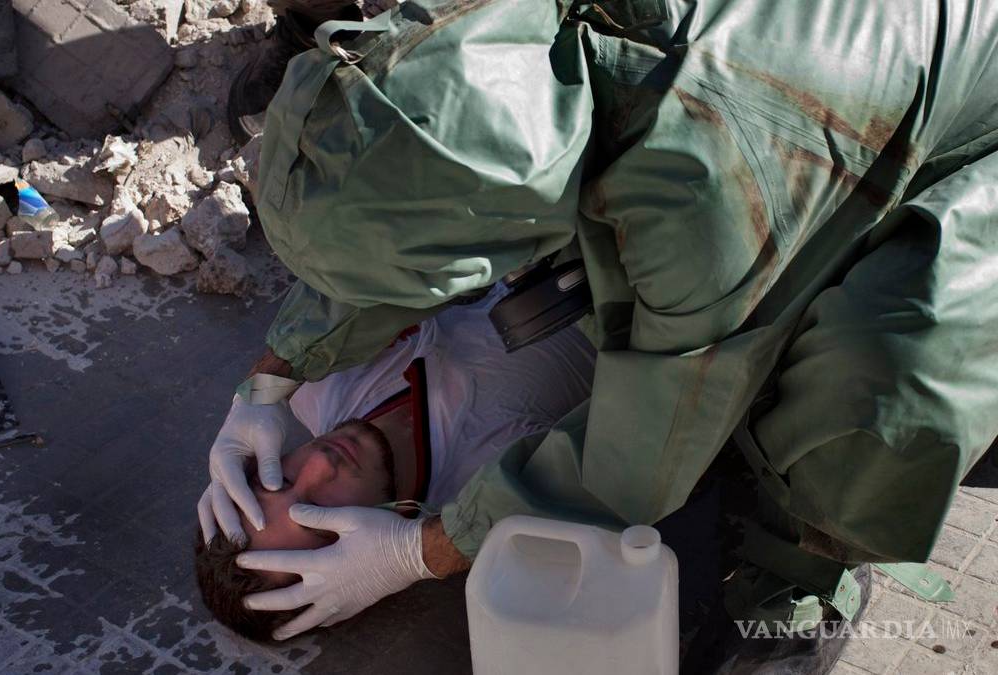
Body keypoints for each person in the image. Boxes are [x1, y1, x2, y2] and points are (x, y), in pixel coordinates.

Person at [204, 0, 998, 670]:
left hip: (961, 133)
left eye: (290, 479)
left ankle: (800, 578)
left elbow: (643, 448)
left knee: (882, 370)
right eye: (311, 504)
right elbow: (396, 213)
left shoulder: (703, 204)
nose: (314, 466)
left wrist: (418, 554)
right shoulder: (487, 54)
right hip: (882, 51)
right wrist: (269, 381)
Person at [195, 293, 596, 640]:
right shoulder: (489, 488)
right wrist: (421, 553)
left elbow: (370, 261)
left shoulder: (317, 380)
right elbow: (618, 452)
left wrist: (265, 383)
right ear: (353, 569)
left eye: (279, 478)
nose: (319, 463)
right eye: (317, 513)